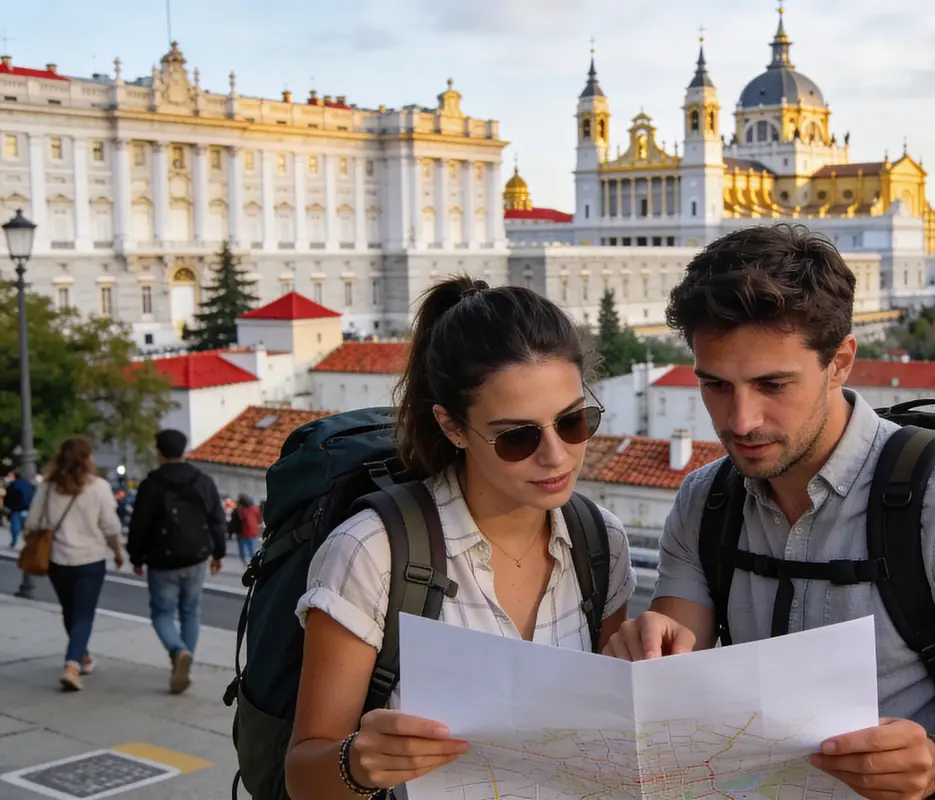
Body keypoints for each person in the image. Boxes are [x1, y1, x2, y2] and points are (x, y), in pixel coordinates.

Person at [604, 225, 935, 800]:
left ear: (841, 361)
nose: (741, 420)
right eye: (716, 386)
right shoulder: (705, 500)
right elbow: (680, 663)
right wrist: (651, 652)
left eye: (773, 384)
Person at [285, 276, 636, 799]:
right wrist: (357, 763)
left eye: (573, 421)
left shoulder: (600, 540)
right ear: (451, 427)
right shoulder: (373, 552)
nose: (557, 456)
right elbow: (302, 776)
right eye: (517, 436)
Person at [126, 429, 227, 695]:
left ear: (159, 451)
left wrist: (136, 556)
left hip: (161, 560)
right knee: (190, 611)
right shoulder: (202, 481)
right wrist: (218, 553)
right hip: (196, 556)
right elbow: (217, 519)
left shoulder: (151, 484)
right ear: (184, 450)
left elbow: (139, 525)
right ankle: (185, 660)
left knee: (161, 612)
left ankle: (177, 650)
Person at [25, 437, 124, 691]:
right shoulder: (99, 487)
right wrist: (117, 551)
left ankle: (84, 655)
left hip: (58, 559)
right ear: (88, 458)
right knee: (83, 614)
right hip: (90, 559)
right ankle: (72, 665)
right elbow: (110, 526)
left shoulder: (47, 487)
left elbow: (33, 522)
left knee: (70, 611)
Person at [4, 470, 35, 548]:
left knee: (15, 525)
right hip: (27, 508)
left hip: (16, 508)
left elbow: (8, 496)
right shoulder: (29, 485)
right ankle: (26, 543)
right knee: (24, 526)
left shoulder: (14, 484)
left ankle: (14, 541)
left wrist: (7, 506)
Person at [231, 493, 263, 565]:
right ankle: (252, 563)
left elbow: (237, 520)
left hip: (244, 533)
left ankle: (248, 563)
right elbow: (259, 519)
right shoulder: (255, 509)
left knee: (244, 550)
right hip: (251, 532)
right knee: (251, 549)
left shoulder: (241, 511)